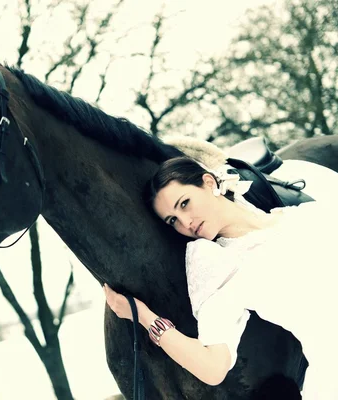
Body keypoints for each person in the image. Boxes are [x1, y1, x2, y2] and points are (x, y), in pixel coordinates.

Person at [103, 156, 338, 399]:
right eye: (173, 220)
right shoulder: (216, 262)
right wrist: (144, 317)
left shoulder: (305, 214)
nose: (185, 222)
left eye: (184, 204)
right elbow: (213, 368)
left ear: (208, 183)